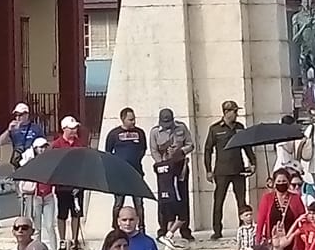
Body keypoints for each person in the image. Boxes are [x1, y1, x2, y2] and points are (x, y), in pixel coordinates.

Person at [204, 100, 255, 239]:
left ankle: (243, 227)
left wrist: (252, 161)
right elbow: (208, 150)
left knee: (241, 201)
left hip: (238, 169)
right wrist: (208, 170)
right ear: (226, 112)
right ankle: (217, 230)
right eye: (234, 111)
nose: (236, 114)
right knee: (219, 201)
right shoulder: (215, 129)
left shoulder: (239, 127)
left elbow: (247, 145)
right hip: (221, 170)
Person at [149, 108, 195, 241]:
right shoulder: (155, 132)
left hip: (180, 166)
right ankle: (163, 229)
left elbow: (190, 144)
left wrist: (180, 151)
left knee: (182, 197)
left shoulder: (181, 127)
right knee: (165, 199)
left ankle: (185, 229)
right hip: (164, 168)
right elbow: (153, 150)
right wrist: (162, 162)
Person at [105, 107, 148, 229]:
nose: (133, 122)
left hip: (136, 173)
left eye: (134, 119)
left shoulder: (140, 133)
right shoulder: (114, 134)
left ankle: (141, 227)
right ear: (123, 119)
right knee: (118, 203)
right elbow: (108, 152)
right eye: (130, 119)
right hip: (120, 175)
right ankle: (116, 227)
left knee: (139, 202)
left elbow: (143, 149)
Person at [51, 116, 86, 250]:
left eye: (75, 128)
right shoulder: (57, 145)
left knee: (76, 213)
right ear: (64, 129)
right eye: (71, 129)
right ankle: (62, 240)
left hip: (77, 184)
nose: (74, 131)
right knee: (62, 214)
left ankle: (75, 240)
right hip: (62, 185)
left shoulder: (80, 144)